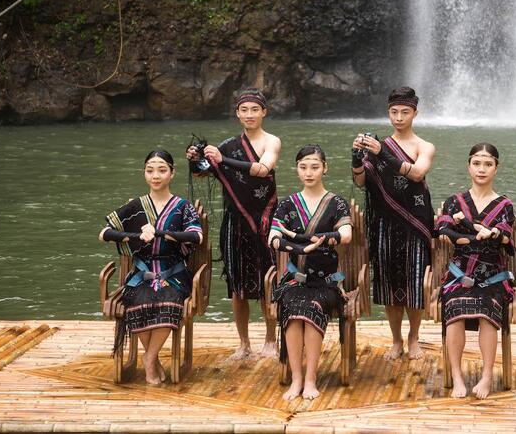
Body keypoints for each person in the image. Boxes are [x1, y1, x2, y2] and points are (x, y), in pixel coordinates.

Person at [186, 88, 281, 359]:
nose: (249, 115)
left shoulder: (271, 141)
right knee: (237, 286)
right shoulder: (228, 144)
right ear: (237, 113)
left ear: (264, 112)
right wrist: (196, 159)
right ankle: (243, 344)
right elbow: (204, 172)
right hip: (235, 222)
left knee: (268, 282)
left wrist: (221, 159)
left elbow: (263, 169)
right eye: (244, 110)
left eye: (254, 109)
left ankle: (271, 341)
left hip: (265, 221)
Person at [99, 149, 203, 385]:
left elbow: (196, 236)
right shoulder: (135, 206)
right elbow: (104, 233)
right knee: (138, 300)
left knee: (168, 299)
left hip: (173, 272)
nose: (156, 175)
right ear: (144, 174)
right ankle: (153, 361)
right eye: (150, 170)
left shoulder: (183, 206)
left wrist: (162, 233)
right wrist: (134, 236)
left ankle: (149, 358)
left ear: (172, 173)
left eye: (162, 170)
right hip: (141, 273)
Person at [351, 86, 435, 360]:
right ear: (388, 113)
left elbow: (417, 173)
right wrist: (356, 158)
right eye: (394, 112)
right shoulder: (378, 145)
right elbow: (361, 181)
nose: (399, 117)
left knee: (414, 281)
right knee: (388, 283)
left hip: (415, 222)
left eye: (405, 112)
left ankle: (414, 337)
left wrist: (382, 153)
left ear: (415, 113)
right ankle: (396, 339)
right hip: (385, 222)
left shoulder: (424, 146)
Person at [268, 144, 353, 401]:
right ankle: (296, 378)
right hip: (295, 279)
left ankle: (311, 379)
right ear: (296, 170)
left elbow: (346, 235)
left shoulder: (336, 202)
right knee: (293, 310)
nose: (309, 172)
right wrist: (299, 247)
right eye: (303, 167)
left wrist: (321, 239)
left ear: (324, 168)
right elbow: (273, 237)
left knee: (312, 307)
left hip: (326, 283)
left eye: (315, 167)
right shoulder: (287, 204)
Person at [435, 143, 515, 399]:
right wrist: (476, 237)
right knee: (456, 308)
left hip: (492, 274)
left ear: (496, 168)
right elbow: (443, 230)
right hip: (459, 274)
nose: (482, 169)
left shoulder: (504, 205)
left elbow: (504, 236)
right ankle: (457, 376)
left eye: (488, 164)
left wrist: (492, 234)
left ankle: (487, 375)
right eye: (477, 163)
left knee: (487, 310)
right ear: (469, 166)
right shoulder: (454, 202)